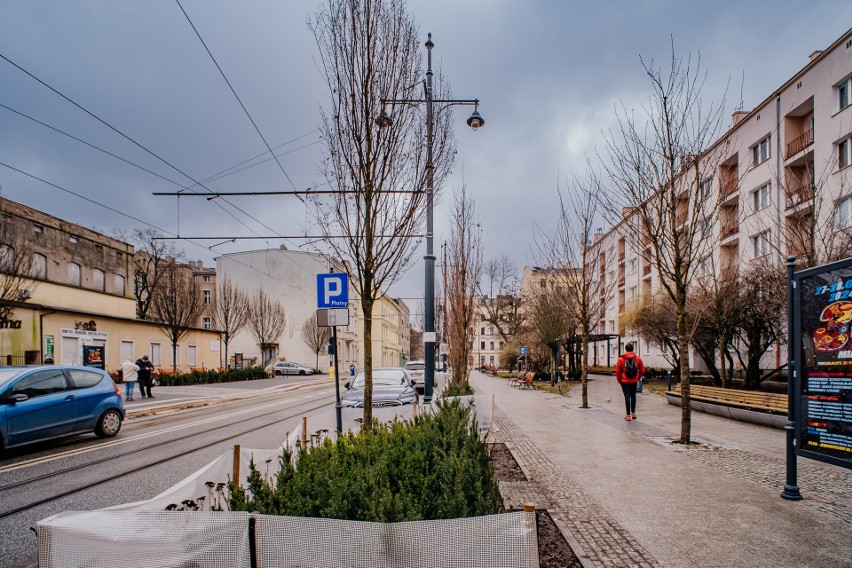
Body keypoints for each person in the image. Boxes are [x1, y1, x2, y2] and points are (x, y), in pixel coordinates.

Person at [615, 343, 645, 421]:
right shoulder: (637, 358)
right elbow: (642, 369)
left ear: (625, 349)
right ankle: (633, 413)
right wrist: (638, 377)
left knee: (627, 396)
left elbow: (617, 371)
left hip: (624, 381)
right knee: (633, 396)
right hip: (634, 380)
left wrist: (619, 380)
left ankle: (628, 416)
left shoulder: (621, 359)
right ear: (632, 349)